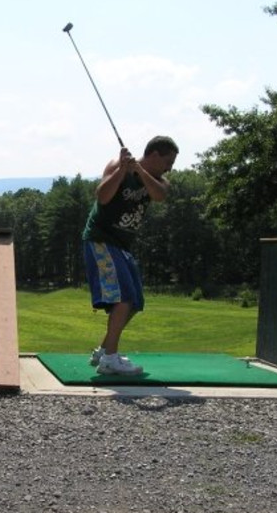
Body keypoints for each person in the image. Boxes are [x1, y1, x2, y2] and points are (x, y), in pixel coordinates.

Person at [82, 136, 178, 375]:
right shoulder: (117, 165)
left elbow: (160, 195)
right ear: (155, 154)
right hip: (101, 239)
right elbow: (102, 196)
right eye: (168, 161)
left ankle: (105, 351)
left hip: (123, 246)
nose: (170, 168)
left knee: (134, 302)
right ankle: (110, 360)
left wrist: (139, 172)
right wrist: (124, 170)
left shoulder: (158, 180)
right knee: (123, 298)